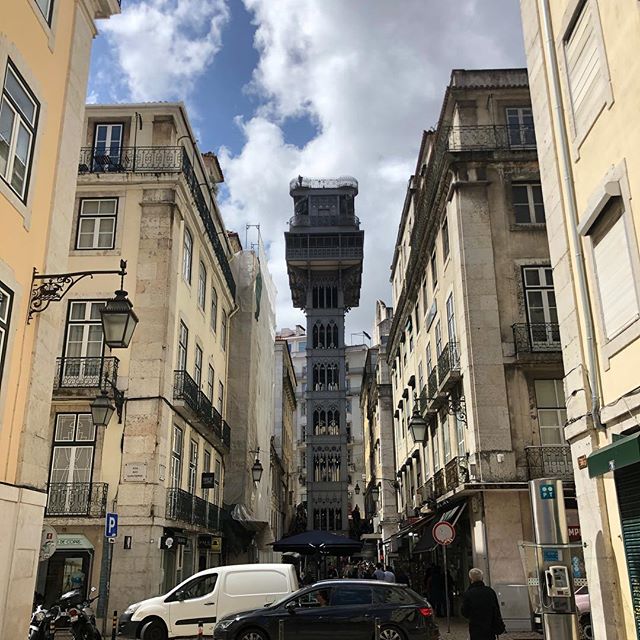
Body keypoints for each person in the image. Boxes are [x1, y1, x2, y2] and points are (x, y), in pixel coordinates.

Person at [461, 568, 506, 640]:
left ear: (471, 579)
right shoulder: (490, 591)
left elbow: (464, 612)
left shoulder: (469, 593)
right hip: (490, 627)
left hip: (475, 628)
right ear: (482, 578)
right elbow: (496, 610)